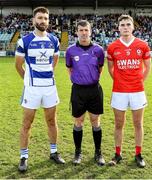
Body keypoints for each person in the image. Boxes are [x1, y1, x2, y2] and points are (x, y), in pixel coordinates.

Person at [15, 7, 65, 172]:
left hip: (50, 88)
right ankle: (24, 157)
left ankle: (53, 152)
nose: (42, 21)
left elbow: (55, 59)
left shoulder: (54, 40)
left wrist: (47, 74)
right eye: (39, 18)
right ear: (33, 20)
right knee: (27, 123)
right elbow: (18, 65)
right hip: (32, 89)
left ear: (48, 21)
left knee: (52, 121)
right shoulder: (25, 41)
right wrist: (29, 81)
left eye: (45, 18)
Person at [107, 15, 151, 168]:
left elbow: (148, 67)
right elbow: (110, 69)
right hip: (119, 91)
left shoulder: (142, 45)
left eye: (128, 24)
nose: (125, 27)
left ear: (133, 27)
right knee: (119, 124)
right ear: (118, 28)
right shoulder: (112, 47)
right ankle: (118, 154)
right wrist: (120, 81)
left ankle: (138, 154)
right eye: (122, 25)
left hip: (137, 91)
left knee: (138, 123)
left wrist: (139, 81)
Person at [65, 20, 105, 166]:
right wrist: (79, 81)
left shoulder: (99, 50)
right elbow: (69, 69)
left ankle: (98, 152)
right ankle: (78, 152)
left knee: (95, 121)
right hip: (78, 90)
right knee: (78, 121)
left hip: (94, 90)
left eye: (86, 30)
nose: (83, 33)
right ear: (76, 32)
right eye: (80, 30)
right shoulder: (70, 50)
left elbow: (100, 69)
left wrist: (90, 79)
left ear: (90, 31)